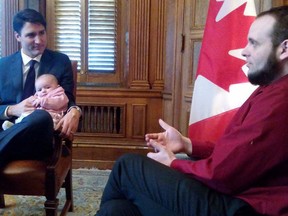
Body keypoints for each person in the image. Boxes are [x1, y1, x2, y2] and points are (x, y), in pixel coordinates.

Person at [96, 5, 288, 216]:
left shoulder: (280, 101)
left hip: (242, 208)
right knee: (119, 209)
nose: (244, 50)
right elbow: (237, 154)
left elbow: (221, 175)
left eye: (253, 43)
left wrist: (174, 163)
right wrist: (187, 144)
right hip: (236, 195)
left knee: (127, 167)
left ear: (284, 49)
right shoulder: (272, 88)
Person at [0, 9, 81, 167]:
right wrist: (12, 109)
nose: (39, 40)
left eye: (42, 33)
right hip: (8, 129)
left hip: (40, 138)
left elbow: (68, 99)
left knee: (41, 116)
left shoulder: (60, 62)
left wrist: (76, 111)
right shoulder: (2, 66)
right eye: (31, 35)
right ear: (18, 36)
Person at [2, 74, 69, 130]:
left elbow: (58, 103)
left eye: (47, 87)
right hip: (34, 117)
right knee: (25, 116)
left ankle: (17, 130)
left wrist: (42, 101)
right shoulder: (38, 96)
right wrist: (32, 102)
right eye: (40, 89)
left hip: (52, 117)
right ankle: (14, 127)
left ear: (57, 87)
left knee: (40, 122)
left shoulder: (59, 94)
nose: (43, 91)